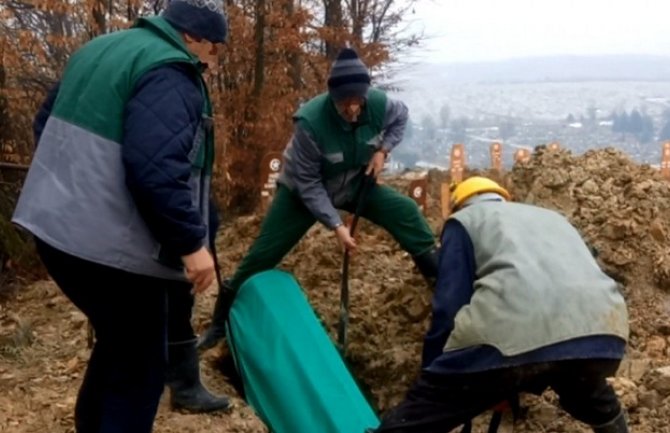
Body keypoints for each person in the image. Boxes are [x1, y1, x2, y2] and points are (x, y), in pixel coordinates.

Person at [13, 0, 230, 431]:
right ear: (194, 37)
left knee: (120, 343)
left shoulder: (101, 48)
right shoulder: (171, 73)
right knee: (140, 365)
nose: (215, 59)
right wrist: (192, 245)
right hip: (107, 249)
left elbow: (45, 123)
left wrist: (74, 191)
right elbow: (155, 169)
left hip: (54, 229)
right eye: (216, 47)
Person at [197, 47, 439, 350]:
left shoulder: (380, 105)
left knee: (404, 210)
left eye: (357, 101)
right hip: (302, 191)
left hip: (354, 181)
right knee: (263, 254)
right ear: (332, 97)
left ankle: (438, 274)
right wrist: (336, 225)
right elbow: (309, 184)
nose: (352, 109)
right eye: (344, 103)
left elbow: (401, 118)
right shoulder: (310, 123)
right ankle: (221, 322)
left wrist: (382, 150)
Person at [372, 176, 630, 433]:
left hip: (509, 337)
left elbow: (449, 304)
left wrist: (435, 372)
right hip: (601, 331)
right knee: (587, 391)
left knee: (420, 416)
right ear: (503, 198)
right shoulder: (553, 219)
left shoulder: (464, 222)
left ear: (460, 206)